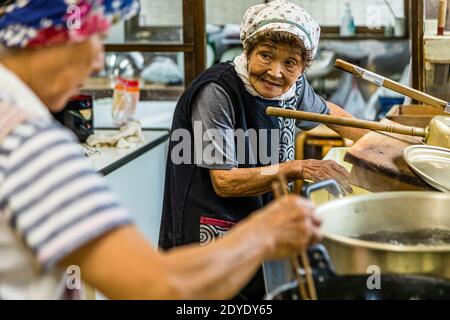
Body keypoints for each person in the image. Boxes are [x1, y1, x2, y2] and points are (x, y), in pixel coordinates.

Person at [0, 0, 322, 300]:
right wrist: (265, 232)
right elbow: (156, 286)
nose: (99, 60)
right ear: (50, 35)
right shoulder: (30, 146)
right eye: (95, 36)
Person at [159, 0, 369, 299]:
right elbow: (225, 182)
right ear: (247, 52)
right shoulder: (217, 92)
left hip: (256, 220)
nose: (275, 72)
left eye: (290, 63)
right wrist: (298, 167)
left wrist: (378, 145)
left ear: (302, 66)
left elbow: (329, 113)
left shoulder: (292, 87)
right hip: (211, 225)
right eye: (266, 55)